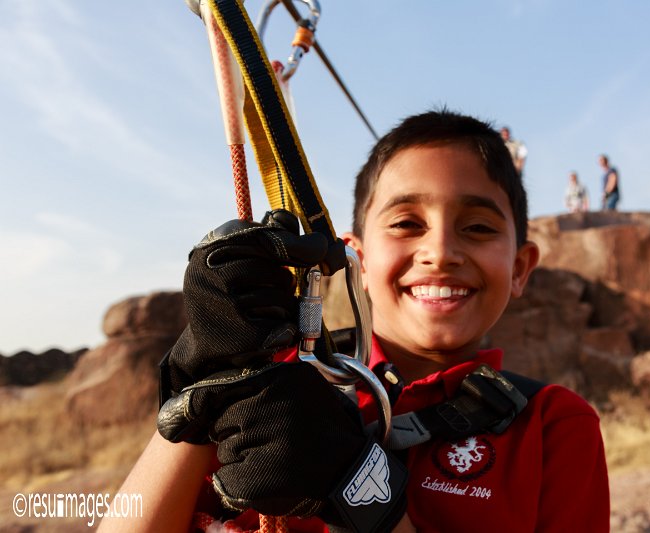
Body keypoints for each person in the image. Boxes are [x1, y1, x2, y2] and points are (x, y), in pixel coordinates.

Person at [101, 110, 609, 532]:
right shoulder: (271, 384)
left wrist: (356, 486)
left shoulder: (552, 425)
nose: (440, 252)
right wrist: (206, 372)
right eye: (407, 224)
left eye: (477, 227)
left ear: (520, 268)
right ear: (357, 261)